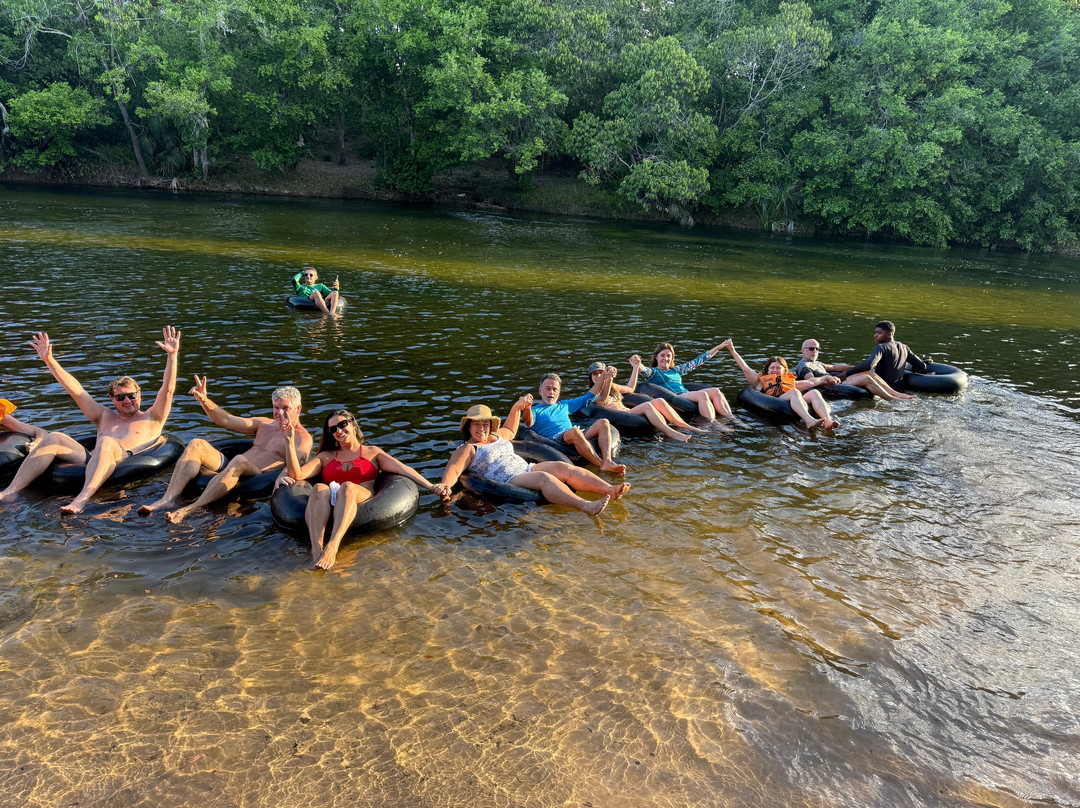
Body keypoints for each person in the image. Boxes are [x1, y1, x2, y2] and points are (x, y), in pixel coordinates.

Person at [0, 328, 181, 513]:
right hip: (91, 458)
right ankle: (10, 492)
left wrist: (172, 356)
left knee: (107, 442)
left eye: (131, 395)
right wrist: (49, 360)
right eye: (120, 398)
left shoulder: (153, 417)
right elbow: (76, 390)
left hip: (126, 458)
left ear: (139, 395)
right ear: (112, 400)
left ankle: (81, 500)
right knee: (54, 437)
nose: (127, 401)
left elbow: (168, 390)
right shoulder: (103, 416)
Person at [277, 409, 448, 569]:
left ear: (352, 424)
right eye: (333, 429)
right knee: (320, 488)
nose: (339, 430)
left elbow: (404, 470)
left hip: (359, 494)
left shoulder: (372, 453)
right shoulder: (326, 456)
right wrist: (289, 441)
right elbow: (297, 474)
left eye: (342, 424)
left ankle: (332, 546)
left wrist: (432, 486)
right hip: (330, 497)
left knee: (348, 487)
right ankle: (316, 551)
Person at [139, 380, 314, 522]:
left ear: (298, 409)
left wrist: (286, 450)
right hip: (232, 466)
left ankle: (191, 508)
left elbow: (298, 466)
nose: (279, 413)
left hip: (256, 474)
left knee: (239, 460)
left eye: (285, 408)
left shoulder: (302, 438)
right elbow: (225, 419)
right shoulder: (264, 423)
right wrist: (204, 400)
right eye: (276, 408)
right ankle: (167, 499)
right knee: (196, 443)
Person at [434, 399, 630, 516]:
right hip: (508, 478)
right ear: (468, 426)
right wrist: (445, 485)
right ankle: (586, 506)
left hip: (525, 467)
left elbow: (511, 429)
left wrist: (517, 407)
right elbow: (454, 469)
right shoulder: (468, 448)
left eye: (485, 424)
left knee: (563, 467)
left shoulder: (495, 436)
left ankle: (609, 489)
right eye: (476, 425)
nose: (481, 428)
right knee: (545, 479)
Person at [720, 339, 838, 429]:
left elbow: (811, 382)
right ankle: (809, 421)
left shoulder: (789, 380)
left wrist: (826, 378)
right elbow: (745, 368)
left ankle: (828, 421)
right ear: (768, 370)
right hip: (776, 400)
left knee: (814, 392)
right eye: (772, 368)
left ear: (784, 371)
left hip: (792, 397)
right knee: (795, 392)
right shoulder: (759, 380)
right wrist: (732, 350)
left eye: (778, 368)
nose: (775, 370)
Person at [529, 371, 626, 474]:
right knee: (574, 431)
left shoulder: (564, 405)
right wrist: (525, 407)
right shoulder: (534, 410)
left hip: (575, 434)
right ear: (540, 391)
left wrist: (605, 377)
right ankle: (601, 465)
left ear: (559, 392)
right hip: (557, 440)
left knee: (603, 422)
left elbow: (589, 397)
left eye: (555, 389)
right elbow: (528, 422)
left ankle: (607, 461)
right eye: (548, 389)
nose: (551, 392)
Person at [587, 361, 702, 442]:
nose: (598, 376)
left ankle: (686, 426)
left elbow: (631, 388)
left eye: (601, 373)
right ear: (591, 377)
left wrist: (635, 368)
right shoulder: (592, 394)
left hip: (629, 411)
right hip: (622, 416)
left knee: (660, 401)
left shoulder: (613, 387)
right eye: (595, 374)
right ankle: (670, 432)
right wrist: (608, 379)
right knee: (647, 405)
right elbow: (602, 398)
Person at [635, 342, 733, 421]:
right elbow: (643, 369)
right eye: (662, 356)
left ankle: (731, 418)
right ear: (656, 357)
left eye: (669, 356)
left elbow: (699, 360)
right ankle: (712, 424)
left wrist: (719, 347)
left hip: (685, 394)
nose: (665, 359)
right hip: (676, 397)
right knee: (702, 395)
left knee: (715, 391)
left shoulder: (676, 370)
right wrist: (637, 362)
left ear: (672, 357)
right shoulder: (652, 372)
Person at [794, 339, 916, 401]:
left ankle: (897, 393)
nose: (815, 351)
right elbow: (811, 381)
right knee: (866, 378)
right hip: (829, 386)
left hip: (835, 381)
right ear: (802, 350)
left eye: (817, 349)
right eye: (811, 348)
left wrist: (859, 367)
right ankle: (893, 399)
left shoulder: (817, 363)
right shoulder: (804, 366)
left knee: (868, 372)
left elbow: (835, 367)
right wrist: (828, 379)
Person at [835, 321, 933, 392]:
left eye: (879, 333)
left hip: (882, 391)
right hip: (899, 391)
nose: (875, 335)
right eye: (875, 332)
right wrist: (911, 369)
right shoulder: (904, 347)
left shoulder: (882, 347)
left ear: (889, 334)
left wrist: (846, 373)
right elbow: (921, 366)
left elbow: (869, 365)